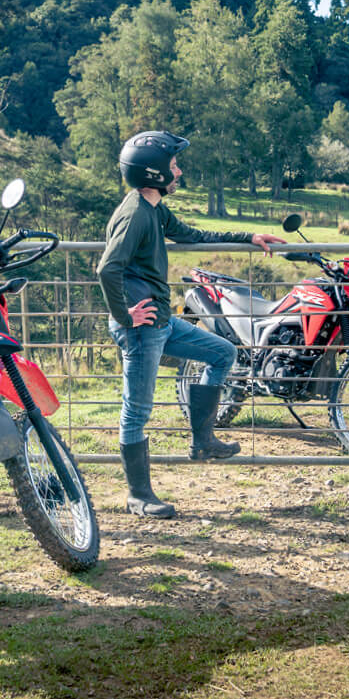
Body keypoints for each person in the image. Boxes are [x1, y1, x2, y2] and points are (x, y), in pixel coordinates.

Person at [97, 131, 285, 518]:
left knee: (222, 353)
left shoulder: (153, 209)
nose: (179, 171)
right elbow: (107, 268)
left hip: (161, 322)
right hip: (141, 328)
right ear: (154, 173)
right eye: (173, 166)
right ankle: (138, 495)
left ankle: (203, 442)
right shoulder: (135, 215)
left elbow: (192, 235)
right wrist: (125, 316)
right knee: (137, 411)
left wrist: (248, 237)